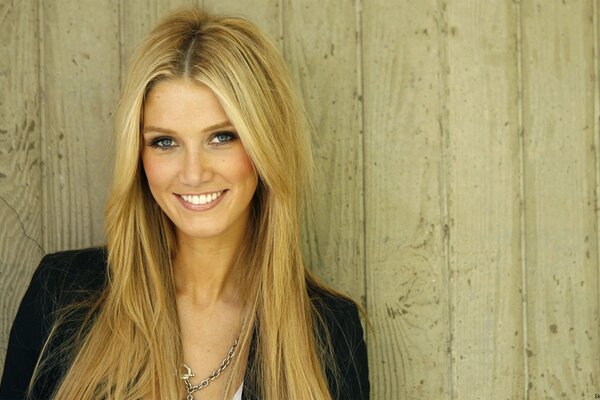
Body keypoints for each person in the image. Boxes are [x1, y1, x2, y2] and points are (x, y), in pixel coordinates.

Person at [0, 7, 369, 400]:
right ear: (138, 157)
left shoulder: (330, 330)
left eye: (222, 137)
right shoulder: (61, 294)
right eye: (165, 142)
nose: (193, 174)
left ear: (266, 145)